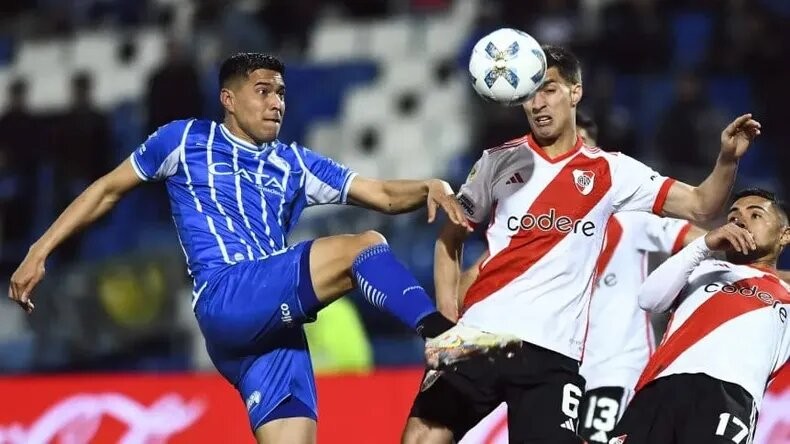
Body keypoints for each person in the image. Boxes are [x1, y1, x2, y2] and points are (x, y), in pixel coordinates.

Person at [7, 53, 496, 444]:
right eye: (263, 91)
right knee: (365, 245)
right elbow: (107, 190)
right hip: (226, 296)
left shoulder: (295, 162)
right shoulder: (183, 140)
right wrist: (40, 249)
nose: (276, 103)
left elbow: (384, 195)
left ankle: (442, 339)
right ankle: (441, 335)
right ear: (229, 99)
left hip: (269, 329)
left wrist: (430, 185)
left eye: (281, 93)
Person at [407, 45, 761, 444]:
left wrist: (727, 159)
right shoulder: (496, 162)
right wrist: (446, 323)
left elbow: (700, 206)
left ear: (575, 92)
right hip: (479, 335)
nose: (538, 104)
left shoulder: (612, 170)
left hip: (552, 350)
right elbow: (450, 238)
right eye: (529, 94)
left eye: (550, 90)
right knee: (420, 438)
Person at [609, 188, 790, 444]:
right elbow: (648, 299)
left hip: (730, 398)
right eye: (733, 216)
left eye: (756, 215)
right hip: (660, 389)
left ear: (785, 236)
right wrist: (704, 245)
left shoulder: (786, 294)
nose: (740, 220)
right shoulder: (700, 269)